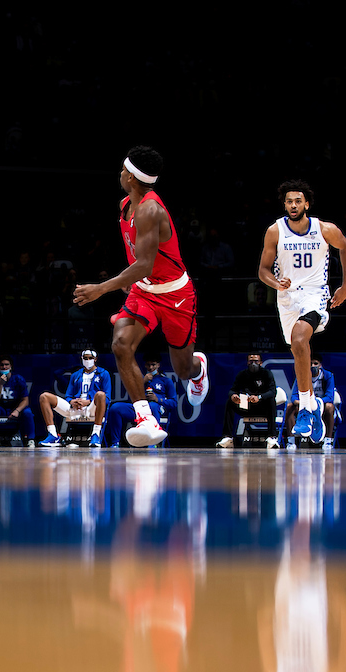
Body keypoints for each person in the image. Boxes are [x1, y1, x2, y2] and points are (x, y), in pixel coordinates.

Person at [73, 146, 209, 447]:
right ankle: (145, 417)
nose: (120, 173)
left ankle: (199, 369)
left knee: (182, 369)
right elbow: (139, 259)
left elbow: (146, 262)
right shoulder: (126, 205)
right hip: (144, 290)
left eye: (123, 170)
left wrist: (101, 288)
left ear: (132, 177)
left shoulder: (150, 210)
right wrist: (129, 279)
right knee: (121, 344)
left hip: (175, 294)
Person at [254, 180, 346, 446]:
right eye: (289, 201)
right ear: (284, 204)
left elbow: (345, 248)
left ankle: (307, 409)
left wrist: (345, 285)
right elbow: (263, 270)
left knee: (300, 339)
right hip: (286, 297)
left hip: (315, 293)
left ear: (307, 204)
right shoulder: (275, 231)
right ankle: (311, 407)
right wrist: (276, 284)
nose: (293, 205)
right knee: (297, 348)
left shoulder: (325, 229)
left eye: (298, 201)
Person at [39, 349, 113, 448]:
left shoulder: (103, 373)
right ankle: (53, 435)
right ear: (81, 359)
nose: (88, 360)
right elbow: (68, 395)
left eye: (90, 358)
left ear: (95, 359)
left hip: (91, 409)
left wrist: (88, 402)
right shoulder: (76, 375)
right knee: (44, 397)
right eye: (85, 358)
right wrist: (72, 401)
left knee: (100, 394)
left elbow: (107, 398)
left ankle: (95, 434)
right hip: (75, 408)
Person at [105, 355, 176, 448]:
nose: (150, 367)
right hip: (138, 408)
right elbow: (131, 396)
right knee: (116, 408)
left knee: (152, 405)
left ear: (158, 365)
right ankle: (115, 443)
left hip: (155, 409)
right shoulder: (140, 378)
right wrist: (142, 381)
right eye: (148, 365)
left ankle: (152, 443)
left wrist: (157, 399)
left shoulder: (166, 380)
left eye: (153, 365)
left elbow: (174, 403)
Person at [216, 353, 279, 449]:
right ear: (247, 362)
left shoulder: (266, 374)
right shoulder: (242, 374)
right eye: (251, 361)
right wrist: (233, 396)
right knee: (229, 402)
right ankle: (227, 437)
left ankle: (272, 437)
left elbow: (272, 391)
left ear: (261, 363)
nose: (253, 363)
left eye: (256, 361)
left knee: (271, 401)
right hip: (247, 407)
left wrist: (259, 397)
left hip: (262, 407)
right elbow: (232, 390)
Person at [281, 357, 337, 450]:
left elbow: (330, 397)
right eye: (310, 363)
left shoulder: (327, 375)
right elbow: (294, 397)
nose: (312, 366)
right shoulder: (302, 376)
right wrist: (304, 403)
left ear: (320, 365)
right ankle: (291, 442)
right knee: (290, 406)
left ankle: (328, 441)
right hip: (305, 405)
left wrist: (315, 403)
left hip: (320, 405)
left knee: (330, 407)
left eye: (315, 363)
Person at [0, 356, 34, 447]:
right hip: (1, 407)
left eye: (7, 365)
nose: (4, 367)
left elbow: (25, 400)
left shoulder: (18, 379)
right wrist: (0, 384)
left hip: (15, 408)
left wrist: (17, 410)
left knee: (28, 412)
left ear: (11, 367)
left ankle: (30, 440)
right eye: (1, 365)